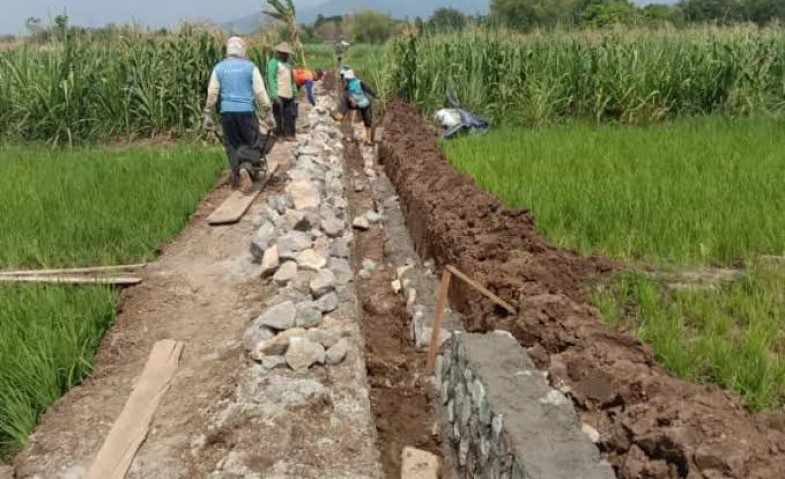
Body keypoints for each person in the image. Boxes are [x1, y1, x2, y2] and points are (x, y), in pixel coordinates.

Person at [203, 36, 273, 191]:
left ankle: (238, 174)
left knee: (233, 144)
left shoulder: (219, 68)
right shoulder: (250, 67)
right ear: (242, 50)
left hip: (227, 113)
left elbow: (213, 92)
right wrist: (268, 112)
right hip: (246, 111)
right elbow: (260, 92)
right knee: (252, 142)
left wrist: (207, 113)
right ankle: (246, 168)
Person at [266, 43, 298, 142]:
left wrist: (294, 90)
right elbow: (270, 79)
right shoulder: (273, 63)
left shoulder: (288, 64)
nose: (286, 55)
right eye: (284, 53)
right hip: (279, 94)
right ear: (279, 53)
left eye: (287, 54)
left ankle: (289, 134)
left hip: (289, 94)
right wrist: (274, 95)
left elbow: (291, 80)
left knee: (290, 115)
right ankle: (278, 134)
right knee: (278, 116)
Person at [337, 69, 376, 145]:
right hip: (353, 104)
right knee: (344, 104)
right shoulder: (346, 85)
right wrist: (351, 99)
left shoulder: (359, 83)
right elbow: (345, 93)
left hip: (363, 103)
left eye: (347, 79)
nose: (346, 80)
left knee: (367, 120)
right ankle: (338, 119)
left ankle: (368, 140)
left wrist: (375, 96)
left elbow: (368, 89)